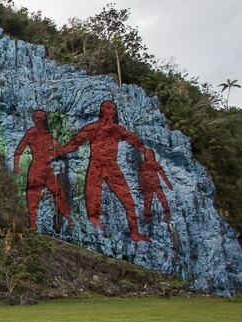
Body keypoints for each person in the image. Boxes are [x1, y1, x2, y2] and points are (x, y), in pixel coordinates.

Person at [58, 100, 150, 242]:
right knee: (92, 199)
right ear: (101, 111)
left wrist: (145, 152)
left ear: (114, 112)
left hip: (112, 167)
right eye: (104, 107)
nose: (107, 110)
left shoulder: (117, 129)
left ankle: (134, 233)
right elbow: (75, 143)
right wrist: (58, 152)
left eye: (110, 108)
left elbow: (135, 141)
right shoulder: (92, 128)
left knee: (129, 202)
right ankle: (94, 228)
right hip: (95, 166)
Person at [13, 109, 72, 229]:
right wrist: (16, 167)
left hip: (47, 169)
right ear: (34, 120)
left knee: (57, 192)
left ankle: (67, 216)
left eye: (42, 118)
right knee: (33, 195)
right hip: (37, 168)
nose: (40, 121)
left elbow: (58, 149)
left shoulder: (47, 134)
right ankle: (33, 225)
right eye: (38, 118)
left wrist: (61, 152)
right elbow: (18, 150)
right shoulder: (31, 133)